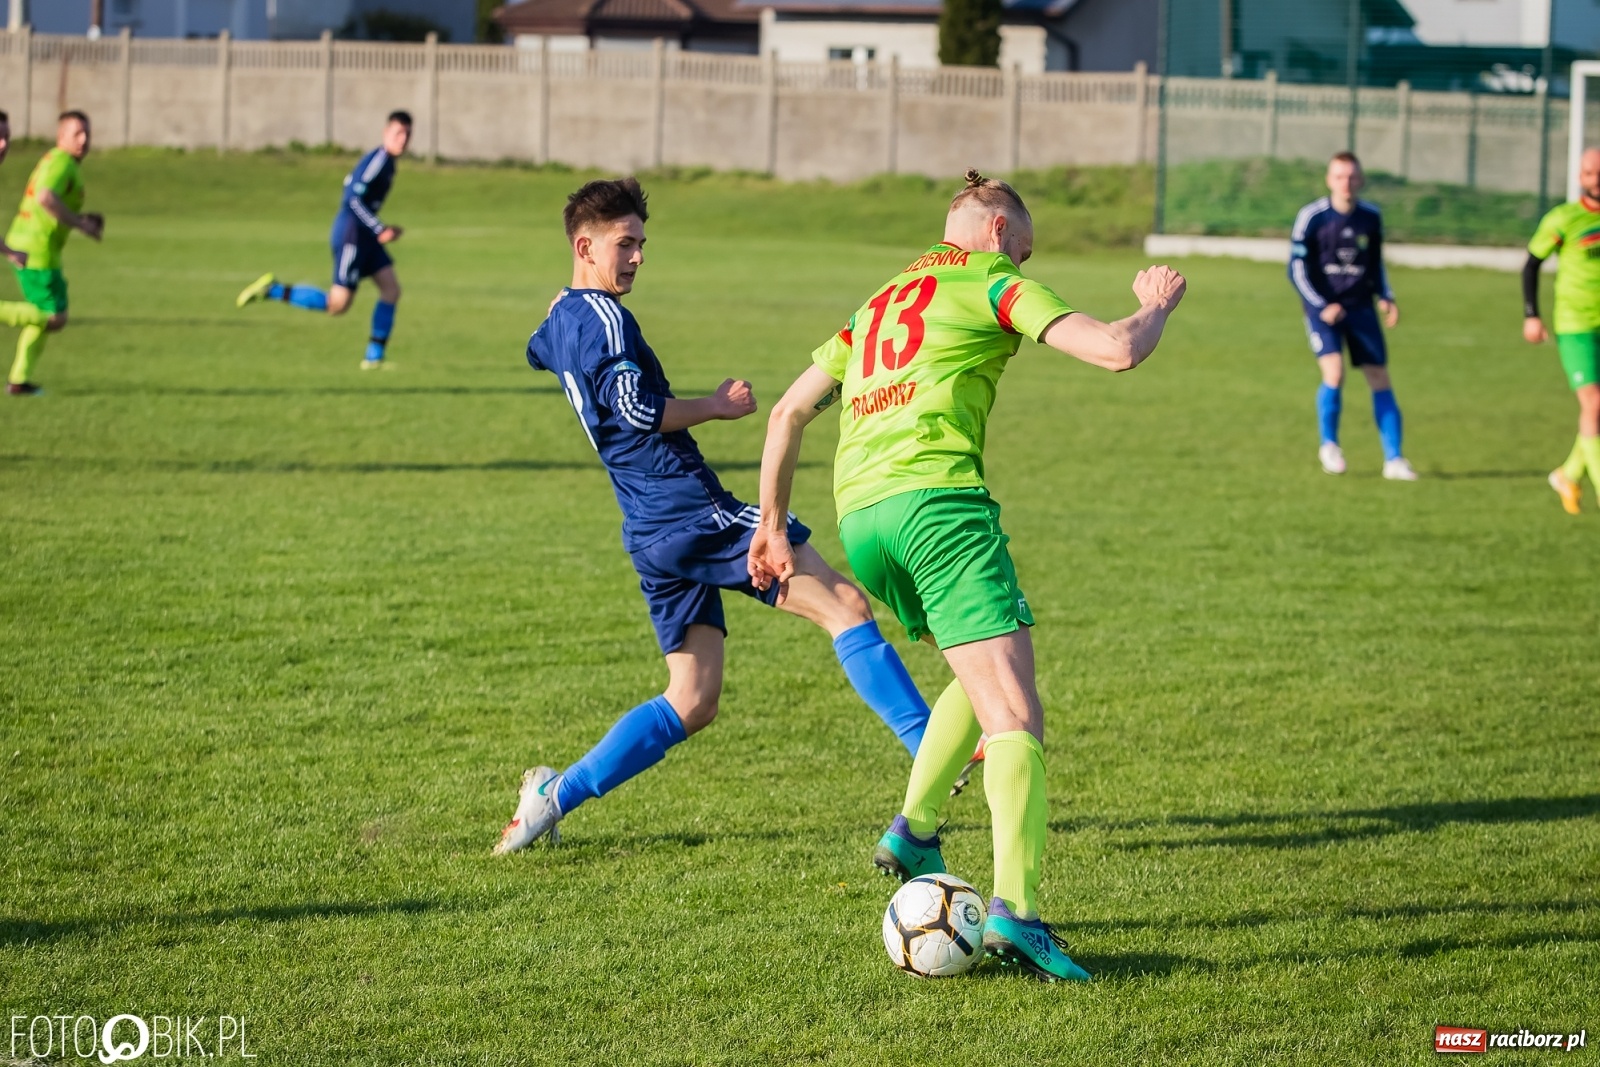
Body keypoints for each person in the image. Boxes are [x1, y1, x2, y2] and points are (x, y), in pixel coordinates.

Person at [749, 170, 1185, 982]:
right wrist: (1155, 303)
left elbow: (787, 411)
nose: (1022, 265)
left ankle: (914, 830)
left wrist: (771, 525)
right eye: (1024, 251)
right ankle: (1017, 911)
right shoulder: (989, 279)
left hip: (864, 519)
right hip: (938, 507)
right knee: (1015, 711)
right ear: (997, 232)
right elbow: (1116, 349)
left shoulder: (877, 303)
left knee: (981, 661)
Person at [493, 177, 934, 855]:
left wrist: (559, 307)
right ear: (585, 247)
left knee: (693, 699)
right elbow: (636, 408)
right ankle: (936, 755)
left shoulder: (564, 322)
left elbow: (537, 348)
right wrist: (716, 406)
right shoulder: (605, 317)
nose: (638, 257)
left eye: (641, 243)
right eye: (625, 244)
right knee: (845, 606)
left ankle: (552, 798)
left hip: (647, 528)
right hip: (688, 510)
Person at [236, 111, 410, 369]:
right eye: (398, 133)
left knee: (391, 290)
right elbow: (352, 199)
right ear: (386, 133)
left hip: (366, 236)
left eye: (407, 134)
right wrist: (378, 228)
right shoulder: (379, 160)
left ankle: (374, 358)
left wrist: (377, 229)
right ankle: (272, 290)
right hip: (352, 235)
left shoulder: (388, 163)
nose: (403, 139)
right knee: (337, 305)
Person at [1289, 152, 1416, 480]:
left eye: (1351, 176)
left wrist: (1386, 295)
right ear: (1329, 180)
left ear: (1360, 180)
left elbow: (1375, 263)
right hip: (1324, 311)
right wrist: (1322, 305)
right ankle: (1329, 445)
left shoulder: (1370, 217)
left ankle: (1394, 459)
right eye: (1339, 176)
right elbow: (1296, 269)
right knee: (1335, 372)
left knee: (1379, 377)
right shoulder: (1312, 217)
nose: (1346, 183)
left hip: (1360, 308)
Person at [5, 111, 103, 397]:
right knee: (54, 317)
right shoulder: (62, 162)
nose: (83, 140)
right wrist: (80, 224)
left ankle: (19, 380)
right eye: (77, 134)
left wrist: (81, 219)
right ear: (61, 136)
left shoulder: (58, 160)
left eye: (86, 133)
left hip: (34, 244)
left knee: (43, 317)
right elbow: (45, 197)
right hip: (37, 249)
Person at [1524, 146, 1600, 514]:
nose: (1596, 180)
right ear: (1580, 178)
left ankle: (1568, 475)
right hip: (1576, 324)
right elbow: (1531, 264)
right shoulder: (1564, 219)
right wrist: (1531, 315)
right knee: (1593, 403)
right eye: (1590, 173)